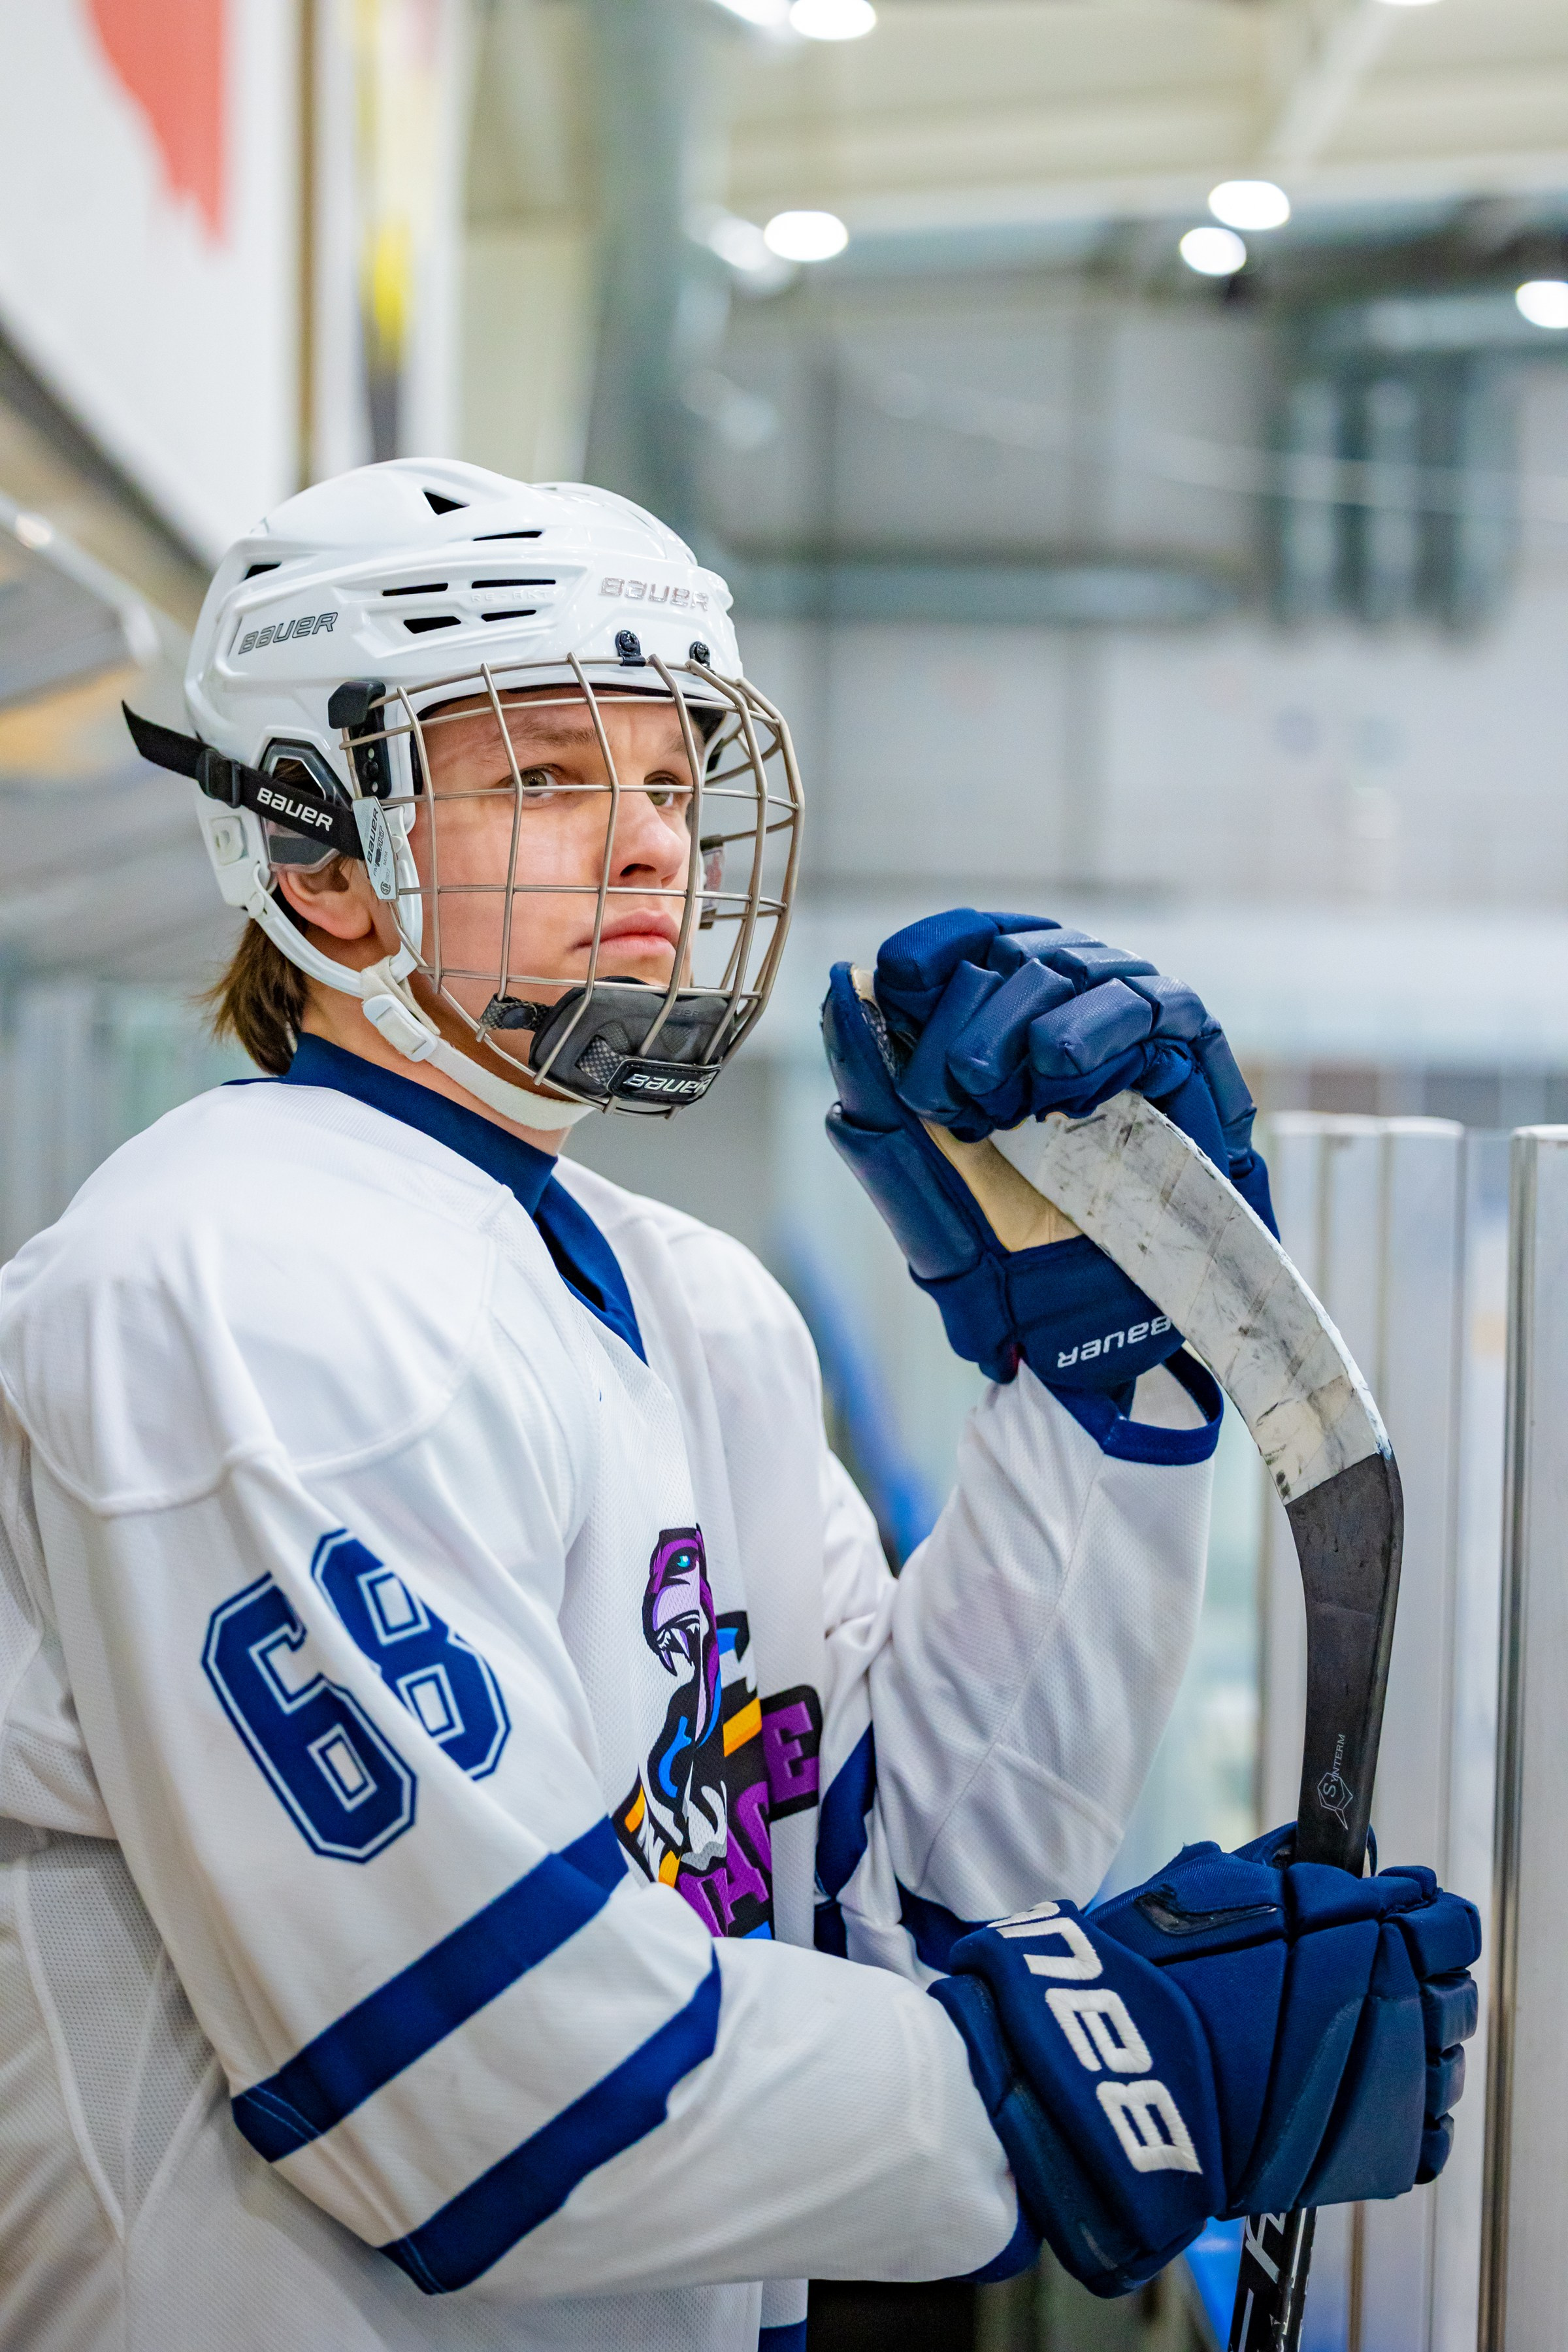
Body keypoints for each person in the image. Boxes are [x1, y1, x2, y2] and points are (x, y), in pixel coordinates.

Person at [0, 461, 1478, 2352]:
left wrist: (1105, 1391)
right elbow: (476, 2102)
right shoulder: (229, 1287)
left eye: (670, 781)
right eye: (543, 778)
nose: (646, 849)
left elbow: (903, 1888)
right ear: (319, 855)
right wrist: (1111, 2077)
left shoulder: (694, 1302)